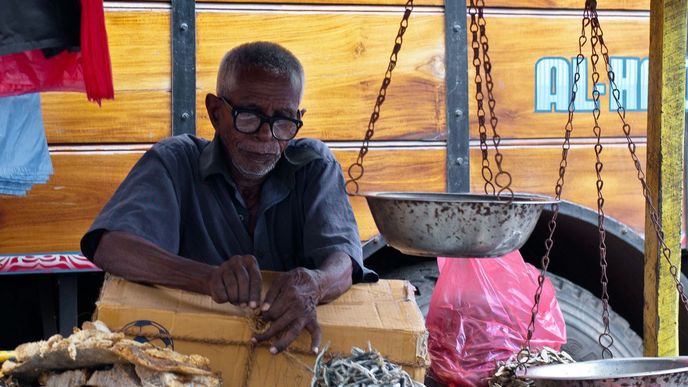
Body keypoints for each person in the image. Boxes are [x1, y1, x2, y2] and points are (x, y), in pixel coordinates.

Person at [80, 41, 376, 355]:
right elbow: (111, 247)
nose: (266, 135)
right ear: (216, 113)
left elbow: (343, 262)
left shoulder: (314, 165)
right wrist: (206, 278)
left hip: (290, 354)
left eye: (284, 121)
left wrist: (314, 283)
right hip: (189, 354)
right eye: (249, 117)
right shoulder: (176, 161)